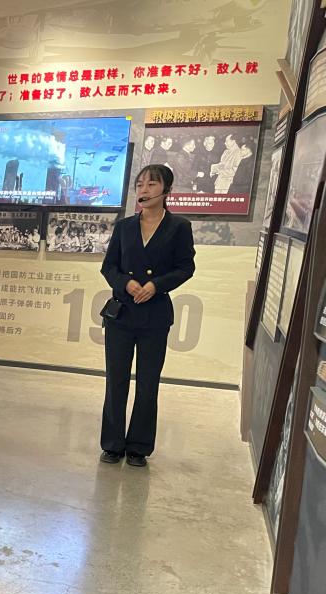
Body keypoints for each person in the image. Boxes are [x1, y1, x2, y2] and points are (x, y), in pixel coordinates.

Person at [100, 164, 196, 467]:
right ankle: (112, 444)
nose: (144, 189)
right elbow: (108, 266)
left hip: (155, 316)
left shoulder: (179, 226)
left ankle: (139, 447)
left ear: (167, 191)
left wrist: (156, 285)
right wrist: (125, 283)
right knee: (116, 380)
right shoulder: (124, 226)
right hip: (121, 314)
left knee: (148, 382)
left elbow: (186, 267)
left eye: (152, 184)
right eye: (140, 184)